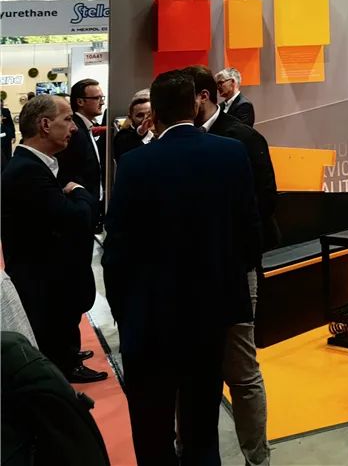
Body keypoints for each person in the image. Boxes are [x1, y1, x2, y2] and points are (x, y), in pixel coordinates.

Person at [103, 69, 261, 466]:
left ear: (154, 114)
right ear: (195, 104)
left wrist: (125, 312)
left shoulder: (135, 164)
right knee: (201, 425)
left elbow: (117, 249)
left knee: (153, 427)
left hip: (150, 318)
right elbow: (249, 234)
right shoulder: (230, 153)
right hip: (210, 317)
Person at [187, 65, 276, 466]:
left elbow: (264, 203)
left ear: (203, 96)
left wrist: (236, 255)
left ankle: (257, 457)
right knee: (192, 373)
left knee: (241, 371)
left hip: (236, 271)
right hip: (190, 276)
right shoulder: (177, 140)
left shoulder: (243, 138)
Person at [0, 95, 105, 383]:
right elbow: (74, 218)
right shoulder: (27, 170)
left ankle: (67, 356)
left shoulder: (34, 165)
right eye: (67, 119)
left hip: (48, 272)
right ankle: (64, 364)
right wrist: (81, 193)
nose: (73, 127)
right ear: (45, 125)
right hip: (42, 274)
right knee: (51, 322)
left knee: (59, 318)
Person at [56, 79, 105, 202]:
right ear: (80, 102)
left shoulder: (85, 127)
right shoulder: (75, 131)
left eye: (102, 98)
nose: (102, 102)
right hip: (81, 201)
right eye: (97, 98)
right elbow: (70, 171)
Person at [113, 90, 153, 163]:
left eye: (149, 114)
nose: (146, 119)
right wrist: (140, 132)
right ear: (130, 117)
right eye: (140, 115)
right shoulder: (122, 136)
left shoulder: (159, 132)